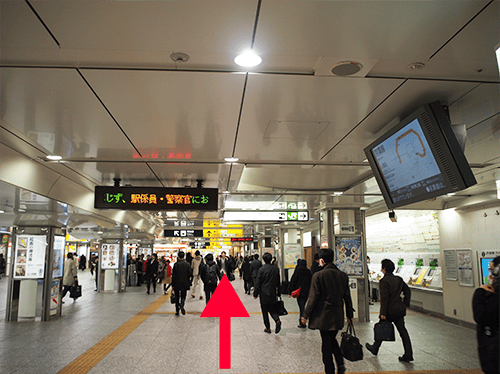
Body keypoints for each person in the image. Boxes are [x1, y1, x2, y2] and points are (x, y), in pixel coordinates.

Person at [301, 248, 353, 374]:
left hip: (323, 316)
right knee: (331, 339)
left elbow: (313, 297)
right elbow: (347, 296)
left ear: (322, 261)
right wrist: (350, 314)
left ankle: (330, 370)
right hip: (337, 315)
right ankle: (340, 364)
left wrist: (305, 315)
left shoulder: (318, 276)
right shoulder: (343, 276)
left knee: (326, 346)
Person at [366, 259, 413, 363]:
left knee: (381, 327)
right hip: (399, 310)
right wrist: (405, 304)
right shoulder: (399, 279)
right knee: (403, 332)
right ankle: (408, 354)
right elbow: (407, 291)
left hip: (389, 311)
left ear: (384, 269)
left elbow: (384, 298)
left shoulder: (384, 281)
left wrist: (382, 313)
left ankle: (375, 348)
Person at [472, 256, 500, 374]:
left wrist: (480, 293)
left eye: (492, 270)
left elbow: (481, 316)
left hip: (494, 350)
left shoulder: (497, 294)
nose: (491, 274)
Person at [253, 252, 282, 334]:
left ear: (264, 260)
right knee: (272, 308)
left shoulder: (261, 269)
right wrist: (279, 292)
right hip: (273, 292)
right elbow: (278, 282)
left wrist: (255, 293)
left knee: (264, 310)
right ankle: (277, 320)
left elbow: (258, 283)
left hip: (264, 293)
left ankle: (268, 328)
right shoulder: (275, 269)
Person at [288, 259, 312, 328]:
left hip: (299, 292)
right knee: (303, 305)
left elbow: (293, 281)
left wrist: (290, 290)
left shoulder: (297, 272)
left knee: (301, 307)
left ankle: (302, 321)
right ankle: (303, 320)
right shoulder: (308, 272)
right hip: (307, 292)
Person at [171, 251, 193, 315]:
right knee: (183, 294)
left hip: (177, 282)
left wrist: (173, 284)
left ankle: (177, 310)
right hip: (185, 281)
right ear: (184, 256)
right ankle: (182, 304)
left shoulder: (176, 264)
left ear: (178, 256)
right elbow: (190, 273)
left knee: (177, 296)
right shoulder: (187, 264)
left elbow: (173, 275)